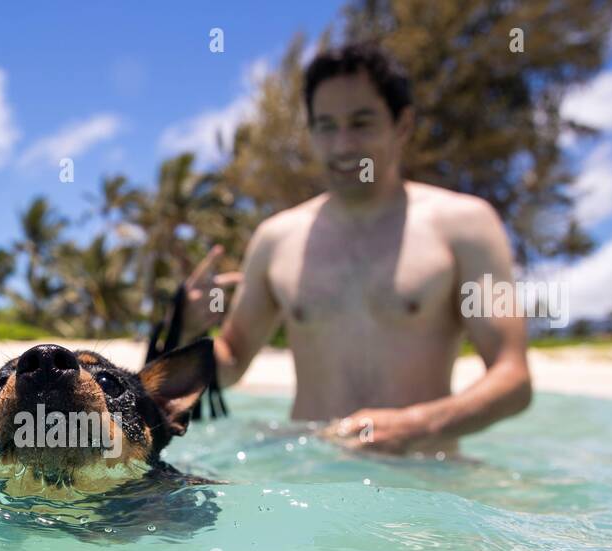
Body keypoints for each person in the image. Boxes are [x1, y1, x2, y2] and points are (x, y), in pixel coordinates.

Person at [184, 42, 532, 455]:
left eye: (361, 123)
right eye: (326, 126)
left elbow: (513, 379)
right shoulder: (276, 239)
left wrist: (415, 426)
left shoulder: (464, 226)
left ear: (402, 125)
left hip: (422, 476)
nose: (343, 145)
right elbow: (231, 362)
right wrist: (189, 329)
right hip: (306, 476)